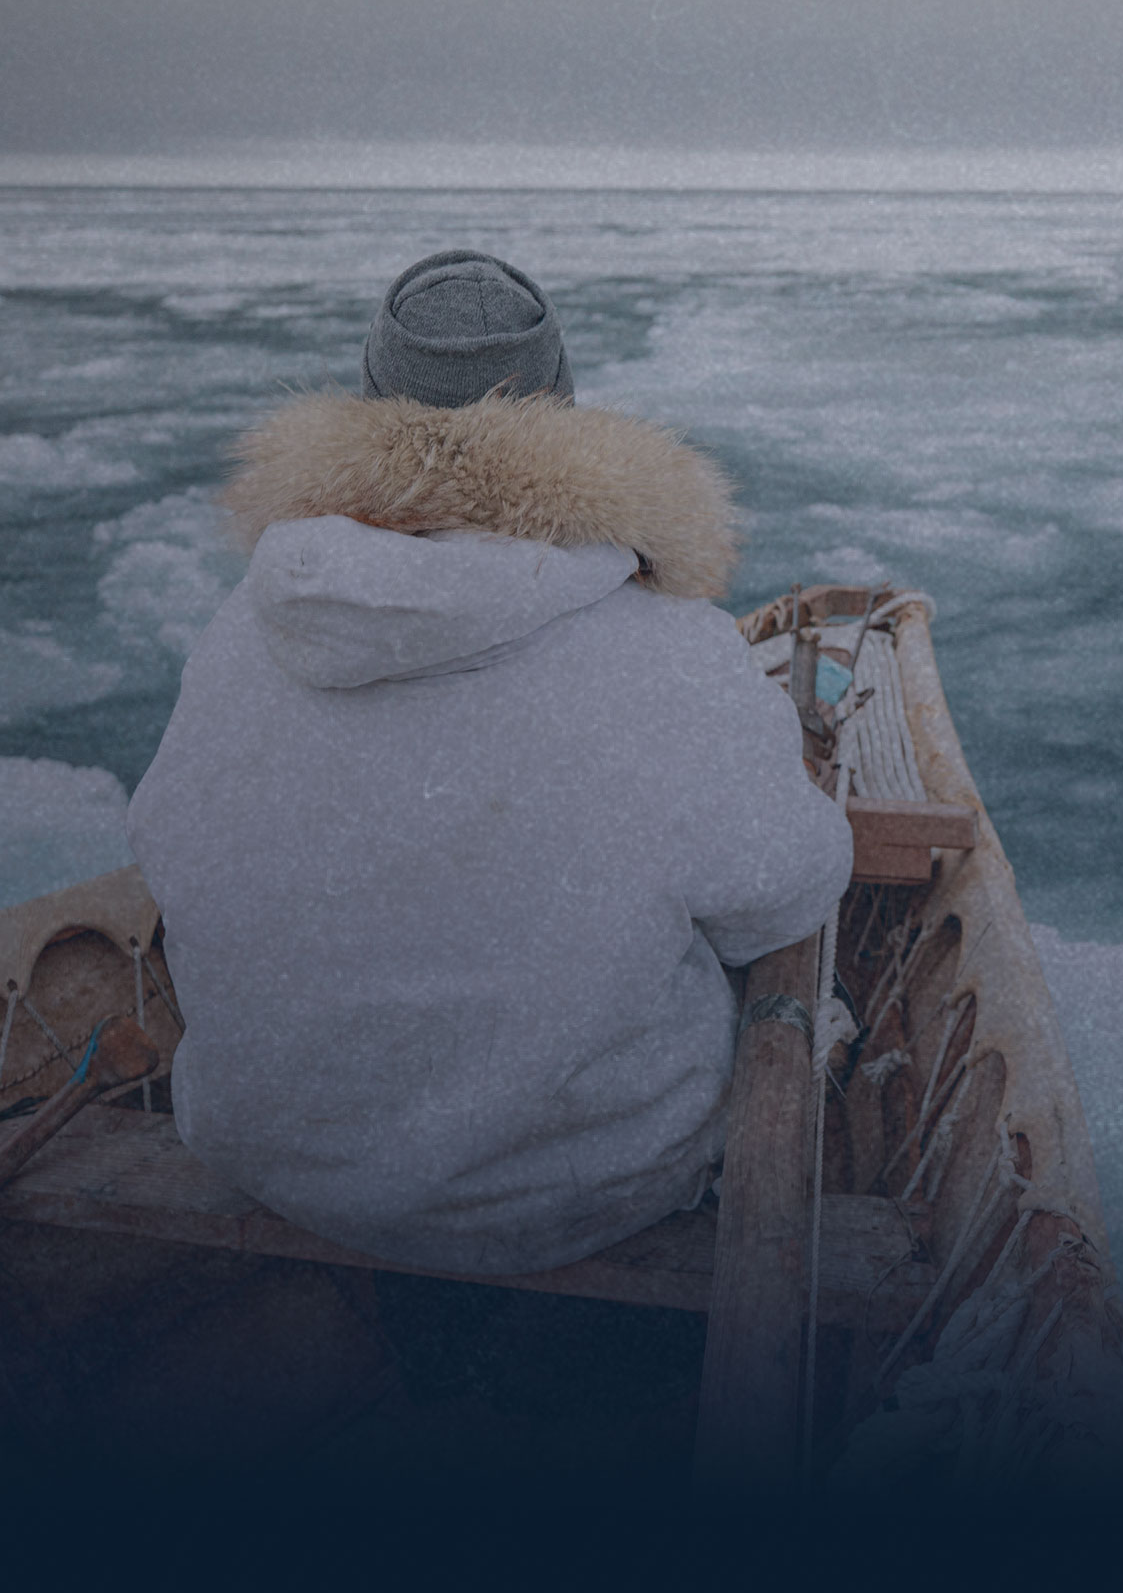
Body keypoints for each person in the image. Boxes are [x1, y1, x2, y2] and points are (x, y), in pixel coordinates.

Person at [126, 250, 852, 1276]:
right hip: (585, 1185)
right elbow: (784, 895)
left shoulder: (246, 630)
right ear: (562, 419)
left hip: (279, 1160)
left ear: (364, 410)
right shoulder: (666, 649)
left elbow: (166, 843)